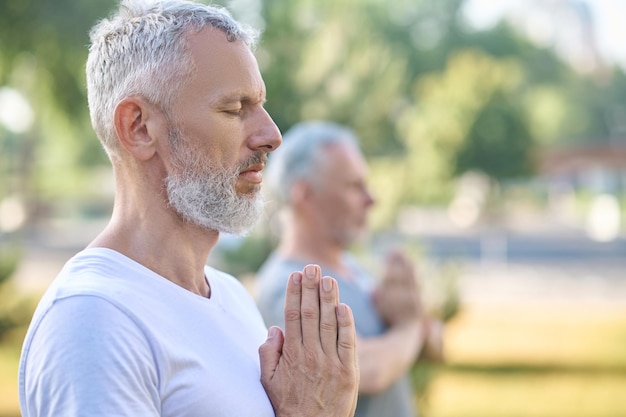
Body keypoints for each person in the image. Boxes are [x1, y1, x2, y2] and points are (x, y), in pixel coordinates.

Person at [18, 2, 359, 416]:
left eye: (261, 105)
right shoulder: (93, 320)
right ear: (139, 127)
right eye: (235, 109)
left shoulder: (230, 297)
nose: (271, 135)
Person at [256, 121, 444, 417]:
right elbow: (368, 371)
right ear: (304, 194)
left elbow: (431, 342)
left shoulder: (353, 268)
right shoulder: (290, 286)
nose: (372, 200)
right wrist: (409, 326)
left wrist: (417, 323)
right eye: (355, 186)